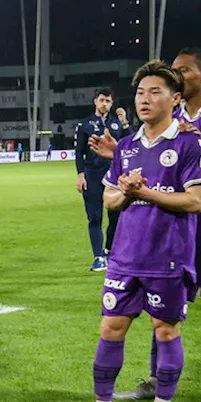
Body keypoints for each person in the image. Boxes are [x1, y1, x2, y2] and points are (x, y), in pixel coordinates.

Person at [103, 50, 201, 402]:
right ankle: (156, 381)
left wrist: (196, 140)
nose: (178, 75)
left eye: (184, 71)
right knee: (161, 309)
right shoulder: (168, 116)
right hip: (170, 229)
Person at [69, 61, 201, 402]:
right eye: (140, 92)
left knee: (165, 331)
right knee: (111, 327)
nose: (144, 100)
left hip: (168, 256)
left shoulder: (189, 143)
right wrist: (127, 193)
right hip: (125, 256)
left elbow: (196, 201)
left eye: (155, 92)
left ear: (175, 98)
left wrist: (143, 191)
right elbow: (110, 199)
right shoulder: (128, 146)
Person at [75, 88, 130, 272]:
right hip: (92, 175)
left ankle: (109, 250)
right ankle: (99, 257)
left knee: (116, 216)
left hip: (114, 176)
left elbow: (130, 144)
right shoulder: (85, 125)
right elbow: (79, 152)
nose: (104, 104)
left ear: (112, 103)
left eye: (108, 101)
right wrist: (80, 174)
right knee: (95, 217)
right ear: (95, 102)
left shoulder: (117, 124)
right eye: (101, 100)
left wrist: (125, 123)